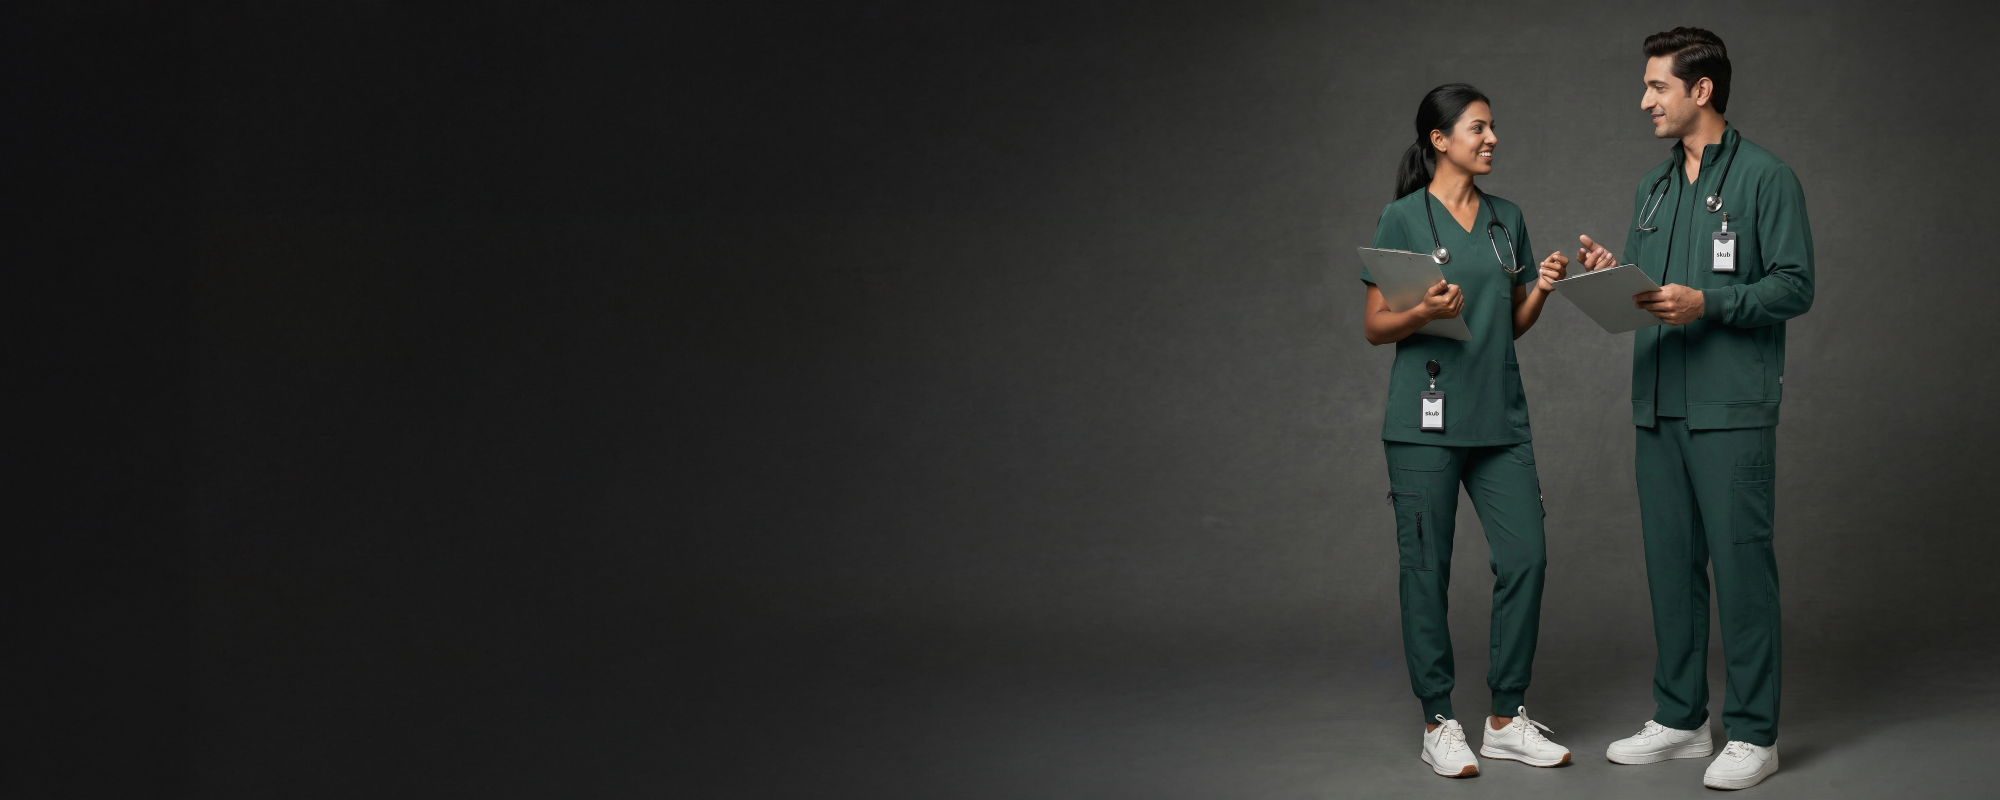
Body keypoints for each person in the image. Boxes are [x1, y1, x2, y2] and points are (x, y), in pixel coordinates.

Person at [1573, 27, 1813, 791]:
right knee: (1671, 569)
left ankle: (1755, 733)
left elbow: (1794, 285)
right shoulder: (1652, 187)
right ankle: (1680, 718)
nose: (1644, 100)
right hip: (1658, 404)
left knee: (1742, 570)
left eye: (1657, 86)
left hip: (1730, 406)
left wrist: (1709, 303)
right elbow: (1651, 293)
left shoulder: (1768, 177)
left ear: (1700, 90)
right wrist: (1614, 276)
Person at [1361, 83, 1573, 779]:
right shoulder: (1401, 218)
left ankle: (1506, 719)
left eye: (1492, 128)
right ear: (1440, 140)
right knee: (1426, 570)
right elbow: (1375, 327)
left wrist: (1541, 289)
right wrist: (1421, 312)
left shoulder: (1507, 218)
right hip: (1423, 425)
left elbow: (1509, 324)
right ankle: (1438, 720)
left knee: (1526, 558)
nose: (1491, 139)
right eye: (1478, 128)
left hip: (1499, 421)